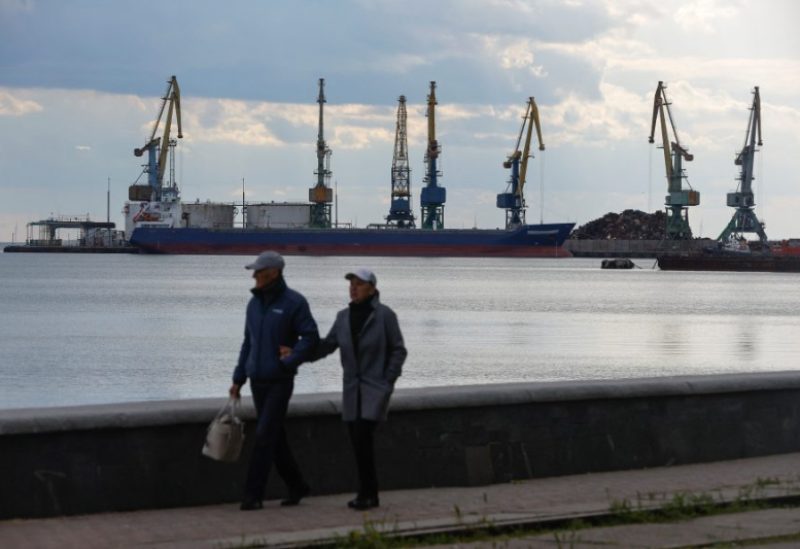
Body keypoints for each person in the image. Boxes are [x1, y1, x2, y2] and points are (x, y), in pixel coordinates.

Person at [229, 250, 319, 511]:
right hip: (257, 381)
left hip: (280, 381)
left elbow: (310, 337)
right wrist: (238, 379)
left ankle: (252, 495)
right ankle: (297, 485)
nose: (254, 275)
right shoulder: (253, 304)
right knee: (274, 437)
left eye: (258, 271)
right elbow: (248, 343)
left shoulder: (294, 303)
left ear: (274, 273)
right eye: (254, 271)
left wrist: (290, 360)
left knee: (264, 435)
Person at [310, 267, 407, 510]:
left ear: (372, 288)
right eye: (351, 284)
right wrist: (298, 354)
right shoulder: (343, 317)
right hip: (352, 391)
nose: (353, 288)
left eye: (359, 284)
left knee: (363, 438)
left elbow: (398, 350)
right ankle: (366, 493)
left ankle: (369, 494)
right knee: (357, 443)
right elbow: (327, 346)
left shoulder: (385, 315)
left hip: (375, 389)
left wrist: (387, 382)